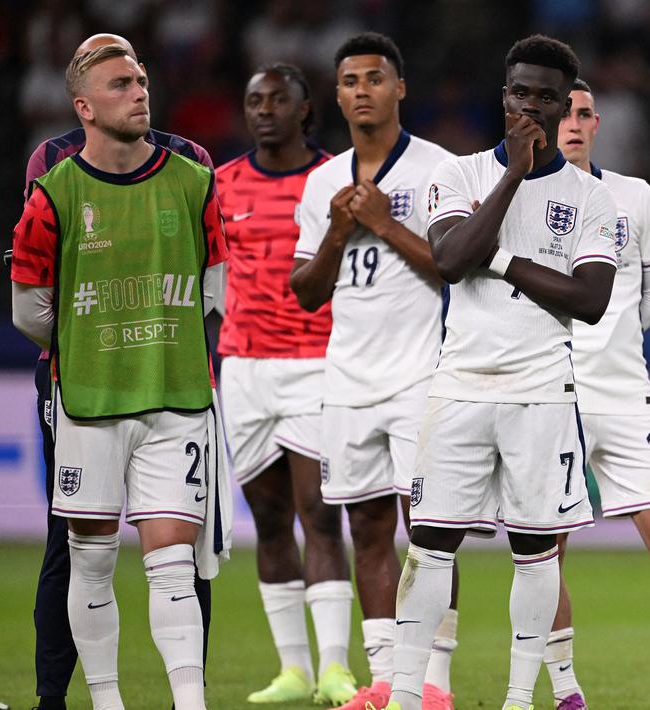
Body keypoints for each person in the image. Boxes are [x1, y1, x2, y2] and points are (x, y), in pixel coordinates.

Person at [388, 34, 618, 710]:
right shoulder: (455, 175)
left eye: (547, 98)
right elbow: (451, 260)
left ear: (563, 106)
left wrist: (508, 263)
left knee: (534, 549)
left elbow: (593, 300)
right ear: (504, 95)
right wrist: (512, 174)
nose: (531, 106)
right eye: (520, 92)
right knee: (428, 544)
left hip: (541, 391)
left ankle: (520, 700)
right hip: (457, 384)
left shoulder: (591, 198)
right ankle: (405, 695)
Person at [11, 43, 231, 710]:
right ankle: (87, 699)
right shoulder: (52, 180)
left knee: (176, 563)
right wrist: (97, 348)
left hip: (177, 395)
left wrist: (154, 341)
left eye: (140, 79)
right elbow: (30, 311)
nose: (140, 92)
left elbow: (211, 295)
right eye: (119, 84)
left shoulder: (193, 171)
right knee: (84, 557)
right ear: (83, 105)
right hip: (85, 397)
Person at [289, 32, 456, 710]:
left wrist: (385, 225)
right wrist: (336, 232)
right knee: (367, 530)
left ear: (399, 88)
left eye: (375, 78)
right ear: (337, 95)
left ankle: (436, 683)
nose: (362, 90)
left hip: (420, 376)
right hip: (348, 382)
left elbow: (455, 268)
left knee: (430, 531)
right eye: (350, 81)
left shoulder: (442, 169)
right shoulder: (323, 182)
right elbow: (304, 291)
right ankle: (389, 681)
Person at [546, 78, 650, 710]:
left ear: (598, 125)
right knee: (545, 550)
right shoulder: (517, 198)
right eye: (563, 112)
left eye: (585, 113)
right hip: (548, 394)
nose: (574, 121)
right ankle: (566, 692)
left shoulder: (634, 196)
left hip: (621, 393)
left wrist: (615, 342)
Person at [214, 63, 353, 705]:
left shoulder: (334, 178)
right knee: (269, 520)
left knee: (319, 514)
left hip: (318, 362)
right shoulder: (220, 186)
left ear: (304, 110)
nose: (263, 109)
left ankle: (334, 667)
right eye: (253, 100)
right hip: (243, 369)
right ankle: (293, 670)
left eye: (278, 99)